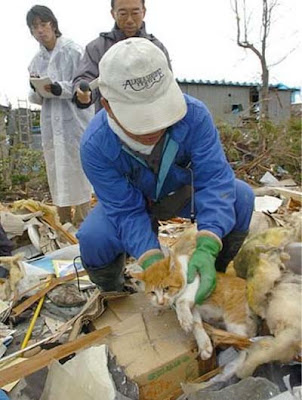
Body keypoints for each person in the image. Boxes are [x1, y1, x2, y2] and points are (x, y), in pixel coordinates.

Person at [77, 38, 255, 304]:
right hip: (133, 205)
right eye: (140, 118)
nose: (153, 128)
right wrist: (153, 261)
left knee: (240, 196)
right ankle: (114, 293)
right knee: (94, 237)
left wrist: (207, 245)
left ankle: (208, 273)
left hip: (179, 194)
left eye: (159, 112)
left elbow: (215, 180)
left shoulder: (195, 116)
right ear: (108, 107)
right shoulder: (95, 146)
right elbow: (125, 212)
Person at [26, 5, 93, 226]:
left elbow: (85, 84)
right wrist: (37, 89)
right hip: (51, 124)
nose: (40, 30)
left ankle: (83, 224)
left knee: (79, 171)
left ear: (53, 25)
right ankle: (63, 225)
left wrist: (60, 88)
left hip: (74, 121)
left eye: (43, 25)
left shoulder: (73, 51)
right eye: (35, 27)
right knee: (57, 172)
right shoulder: (36, 61)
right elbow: (36, 97)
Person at [72, 0, 171, 113]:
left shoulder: (156, 48)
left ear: (144, 12)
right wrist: (83, 94)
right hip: (111, 121)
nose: (129, 20)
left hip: (153, 120)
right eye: (123, 14)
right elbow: (86, 78)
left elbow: (168, 85)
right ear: (113, 13)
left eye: (135, 13)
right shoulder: (97, 47)